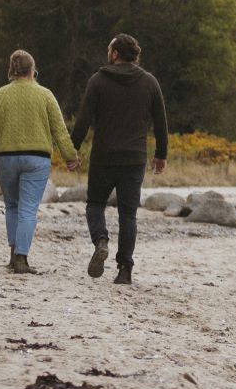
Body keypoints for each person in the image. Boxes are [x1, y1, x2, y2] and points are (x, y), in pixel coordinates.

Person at [71, 34, 168, 285]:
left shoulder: (98, 81)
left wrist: (72, 151)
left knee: (95, 204)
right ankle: (125, 269)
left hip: (103, 157)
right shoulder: (149, 83)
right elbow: (160, 122)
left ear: (115, 54)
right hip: (134, 158)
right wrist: (161, 155)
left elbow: (83, 120)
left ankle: (101, 241)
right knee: (128, 214)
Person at [0, 49, 80, 274]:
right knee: (27, 209)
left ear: (11, 70)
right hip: (37, 159)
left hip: (5, 159)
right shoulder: (45, 95)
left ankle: (12, 256)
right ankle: (22, 259)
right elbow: (60, 131)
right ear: (33, 70)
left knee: (12, 206)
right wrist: (70, 157)